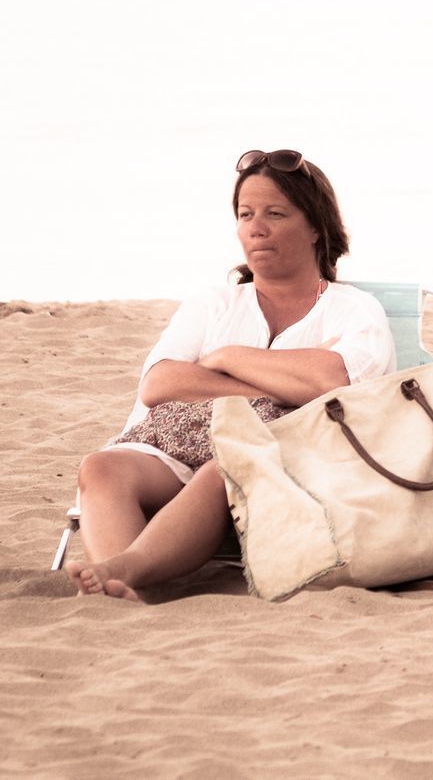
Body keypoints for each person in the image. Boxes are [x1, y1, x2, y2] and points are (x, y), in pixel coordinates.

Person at [66, 149, 396, 600]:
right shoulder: (214, 304)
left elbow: (330, 381)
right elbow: (160, 384)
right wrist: (279, 384)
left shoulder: (353, 309)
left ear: (317, 227)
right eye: (245, 215)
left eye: (275, 214)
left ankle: (123, 570)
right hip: (184, 446)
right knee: (102, 467)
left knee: (228, 466)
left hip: (295, 467)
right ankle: (126, 596)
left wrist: (225, 356)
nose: (256, 227)